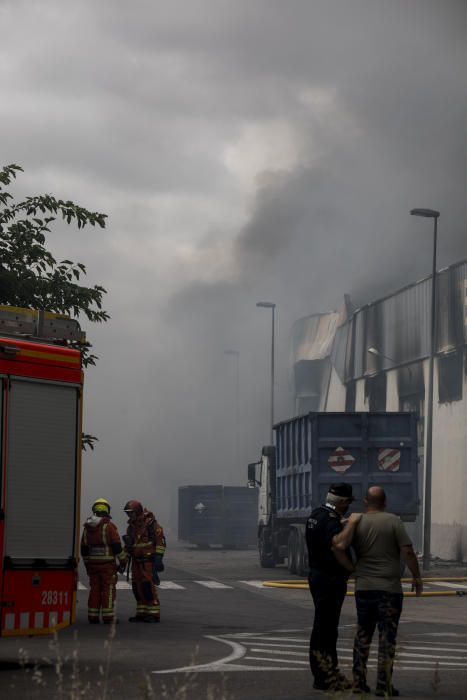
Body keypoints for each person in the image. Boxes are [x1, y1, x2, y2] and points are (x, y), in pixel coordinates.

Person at [335, 485, 423, 697]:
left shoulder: (356, 522)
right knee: (387, 637)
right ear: (385, 503)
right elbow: (408, 551)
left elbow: (339, 546)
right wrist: (416, 577)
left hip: (364, 588)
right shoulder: (394, 521)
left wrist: (351, 569)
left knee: (363, 635)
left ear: (365, 502)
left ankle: (359, 682)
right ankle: (384, 685)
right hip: (389, 590)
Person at [305, 483, 362, 692]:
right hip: (330, 580)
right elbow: (338, 545)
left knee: (322, 628)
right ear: (343, 503)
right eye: (348, 503)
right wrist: (352, 569)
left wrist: (342, 522)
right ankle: (326, 677)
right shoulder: (331, 522)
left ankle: (324, 674)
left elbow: (325, 531)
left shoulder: (317, 514)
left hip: (317, 576)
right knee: (327, 631)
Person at [80, 498, 126, 624]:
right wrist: (123, 561)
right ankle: (108, 617)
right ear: (107, 510)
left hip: (93, 566)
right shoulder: (109, 526)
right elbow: (117, 547)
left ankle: (93, 616)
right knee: (108, 590)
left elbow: (83, 548)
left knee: (94, 589)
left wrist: (87, 564)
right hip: (107, 567)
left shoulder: (87, 527)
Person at [123, 499, 166, 623]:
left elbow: (160, 542)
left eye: (131, 513)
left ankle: (153, 613)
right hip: (136, 562)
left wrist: (158, 559)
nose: (129, 515)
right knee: (137, 587)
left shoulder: (151, 525)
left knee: (147, 587)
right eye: (127, 513)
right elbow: (128, 547)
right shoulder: (131, 528)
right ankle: (141, 612)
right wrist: (123, 562)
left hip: (148, 562)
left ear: (137, 511)